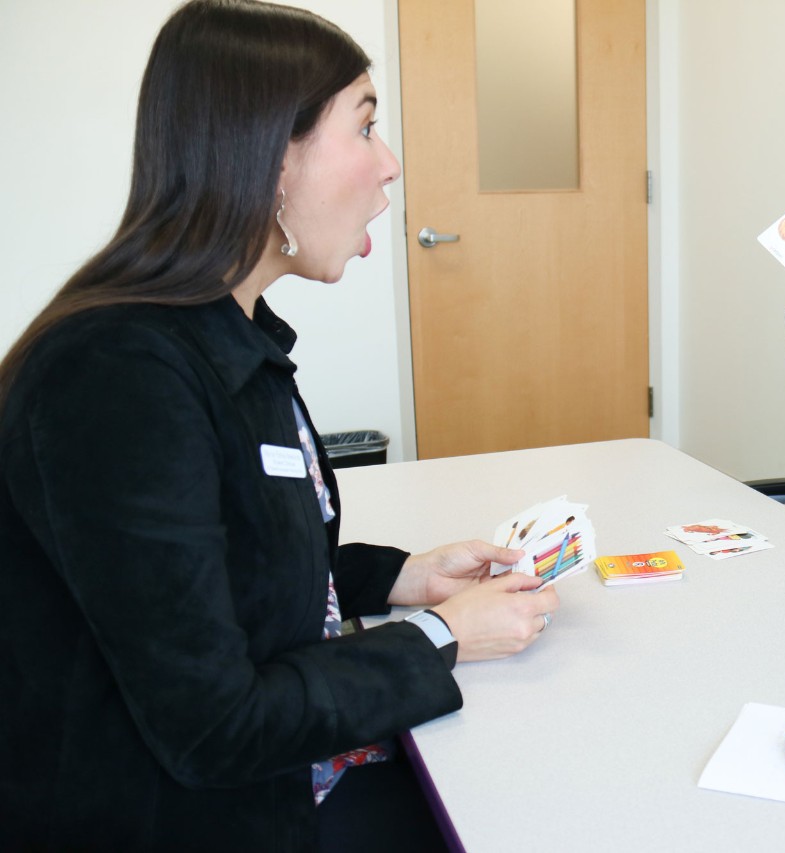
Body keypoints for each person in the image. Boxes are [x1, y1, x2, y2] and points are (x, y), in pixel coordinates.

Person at [0, 1, 559, 850]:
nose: (391, 165)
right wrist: (441, 638)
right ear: (268, 160)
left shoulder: (220, 336)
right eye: (365, 128)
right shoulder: (115, 375)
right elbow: (212, 724)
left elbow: (221, 571)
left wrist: (399, 577)